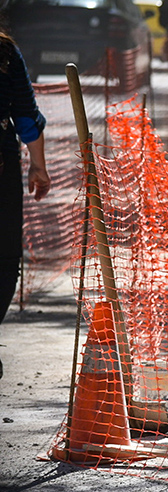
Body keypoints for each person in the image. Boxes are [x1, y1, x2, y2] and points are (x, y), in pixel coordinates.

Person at [0, 32, 51, 377]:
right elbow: (27, 117)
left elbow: (27, 116)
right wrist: (38, 166)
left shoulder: (6, 52)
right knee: (4, 258)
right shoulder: (5, 52)